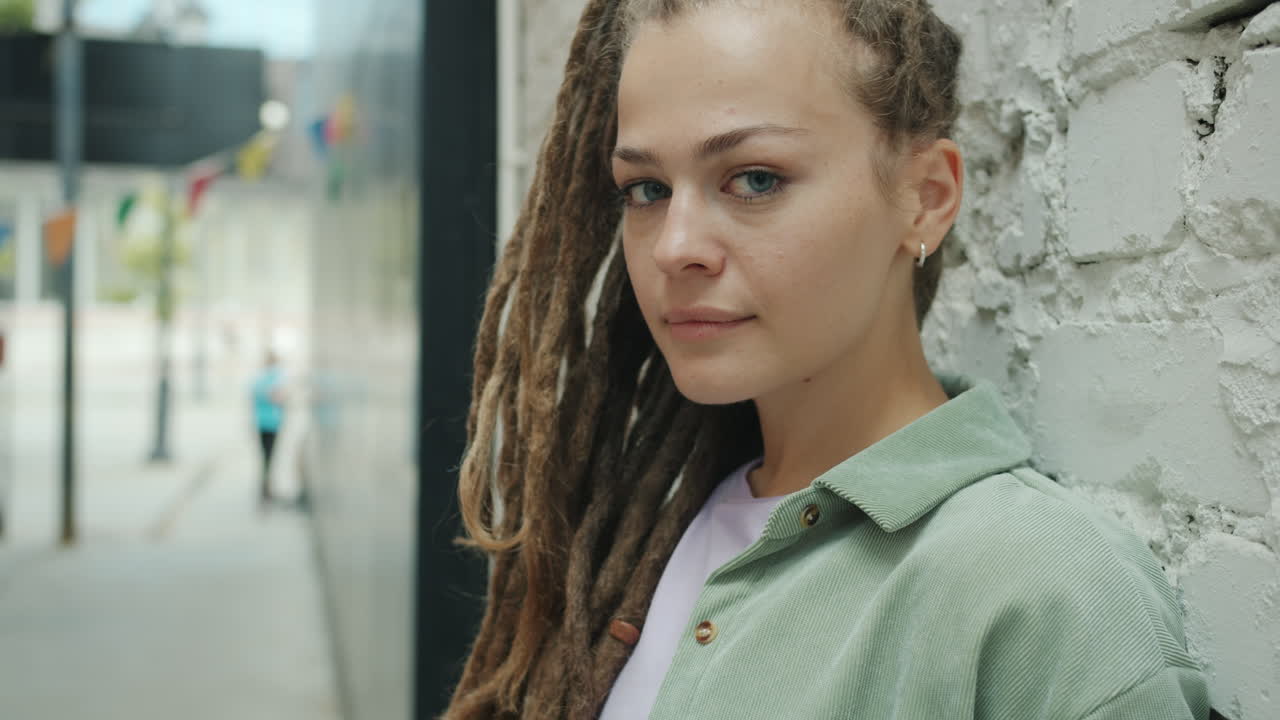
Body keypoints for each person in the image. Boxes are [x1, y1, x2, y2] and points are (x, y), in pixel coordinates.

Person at [443, 1, 1210, 718]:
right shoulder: (646, 535)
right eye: (645, 188)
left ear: (927, 197)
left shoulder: (1052, 597)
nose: (674, 247)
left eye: (754, 179)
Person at [251, 350, 285, 504]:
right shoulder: (276, 378)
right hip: (273, 423)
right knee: (270, 456)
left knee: (264, 456)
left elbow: (252, 398)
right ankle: (267, 489)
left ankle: (264, 487)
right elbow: (278, 398)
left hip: (260, 422)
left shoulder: (259, 379)